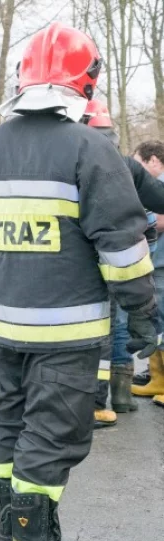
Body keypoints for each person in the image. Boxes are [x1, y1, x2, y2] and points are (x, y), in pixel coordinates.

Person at [0, 23, 159, 541]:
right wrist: (144, 317)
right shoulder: (90, 149)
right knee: (53, 438)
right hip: (68, 336)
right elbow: (123, 248)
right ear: (84, 82)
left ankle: (7, 539)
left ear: (24, 82)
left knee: (11, 428)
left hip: (9, 329)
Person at [81, 102, 164, 426]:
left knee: (95, 334)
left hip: (84, 268)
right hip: (122, 265)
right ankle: (117, 398)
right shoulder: (126, 166)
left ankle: (96, 402)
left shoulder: (70, 158)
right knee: (115, 329)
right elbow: (151, 207)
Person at [130, 140, 164, 402]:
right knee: (157, 320)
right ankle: (157, 380)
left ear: (153, 160)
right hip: (156, 262)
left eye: (139, 163)